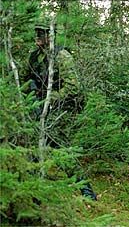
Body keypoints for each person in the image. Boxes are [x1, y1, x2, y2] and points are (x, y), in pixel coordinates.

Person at [23, 19, 97, 201]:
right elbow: (23, 80)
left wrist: (49, 98)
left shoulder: (62, 56)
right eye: (37, 32)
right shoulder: (34, 56)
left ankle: (85, 190)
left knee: (59, 146)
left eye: (42, 33)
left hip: (64, 107)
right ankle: (33, 191)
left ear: (51, 35)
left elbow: (73, 88)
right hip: (41, 106)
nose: (38, 36)